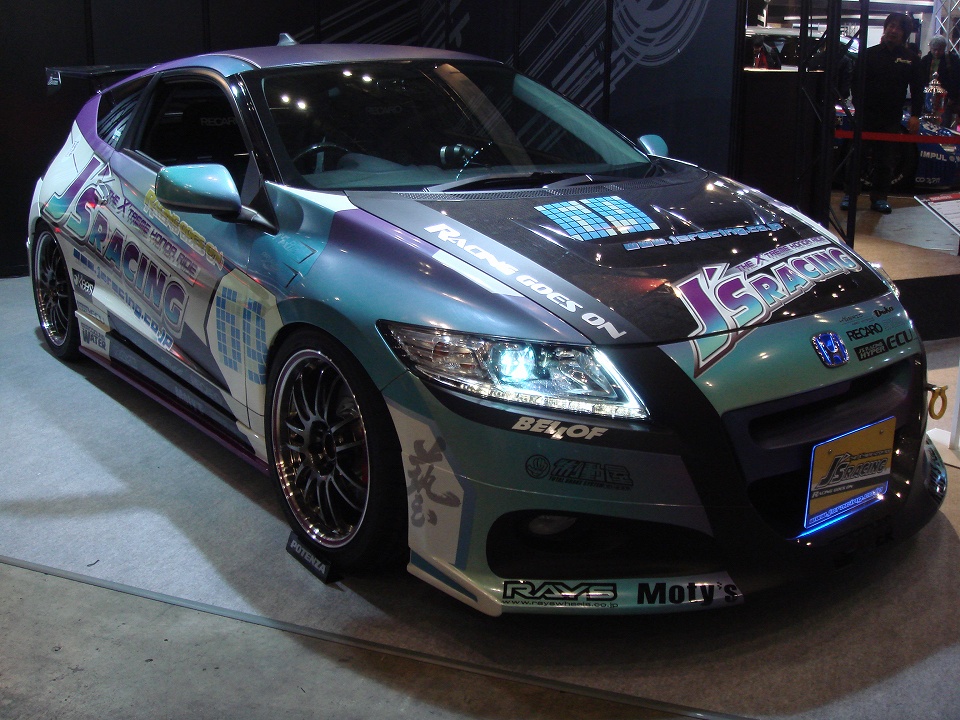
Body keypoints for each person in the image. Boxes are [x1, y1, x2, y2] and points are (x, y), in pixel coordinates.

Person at [841, 12, 924, 214]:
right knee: (856, 157)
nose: (893, 31)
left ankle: (880, 197)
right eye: (890, 26)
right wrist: (859, 105)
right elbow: (855, 82)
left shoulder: (911, 59)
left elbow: (917, 89)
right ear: (885, 28)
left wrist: (915, 115)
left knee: (885, 160)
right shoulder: (869, 54)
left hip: (891, 117)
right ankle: (850, 195)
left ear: (904, 33)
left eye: (898, 28)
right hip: (865, 115)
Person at [920, 35, 960, 126]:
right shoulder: (925, 60)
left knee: (943, 123)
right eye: (934, 49)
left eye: (940, 50)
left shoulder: (952, 60)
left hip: (945, 99)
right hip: (927, 98)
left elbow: (956, 80)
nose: (937, 52)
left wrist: (953, 98)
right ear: (930, 48)